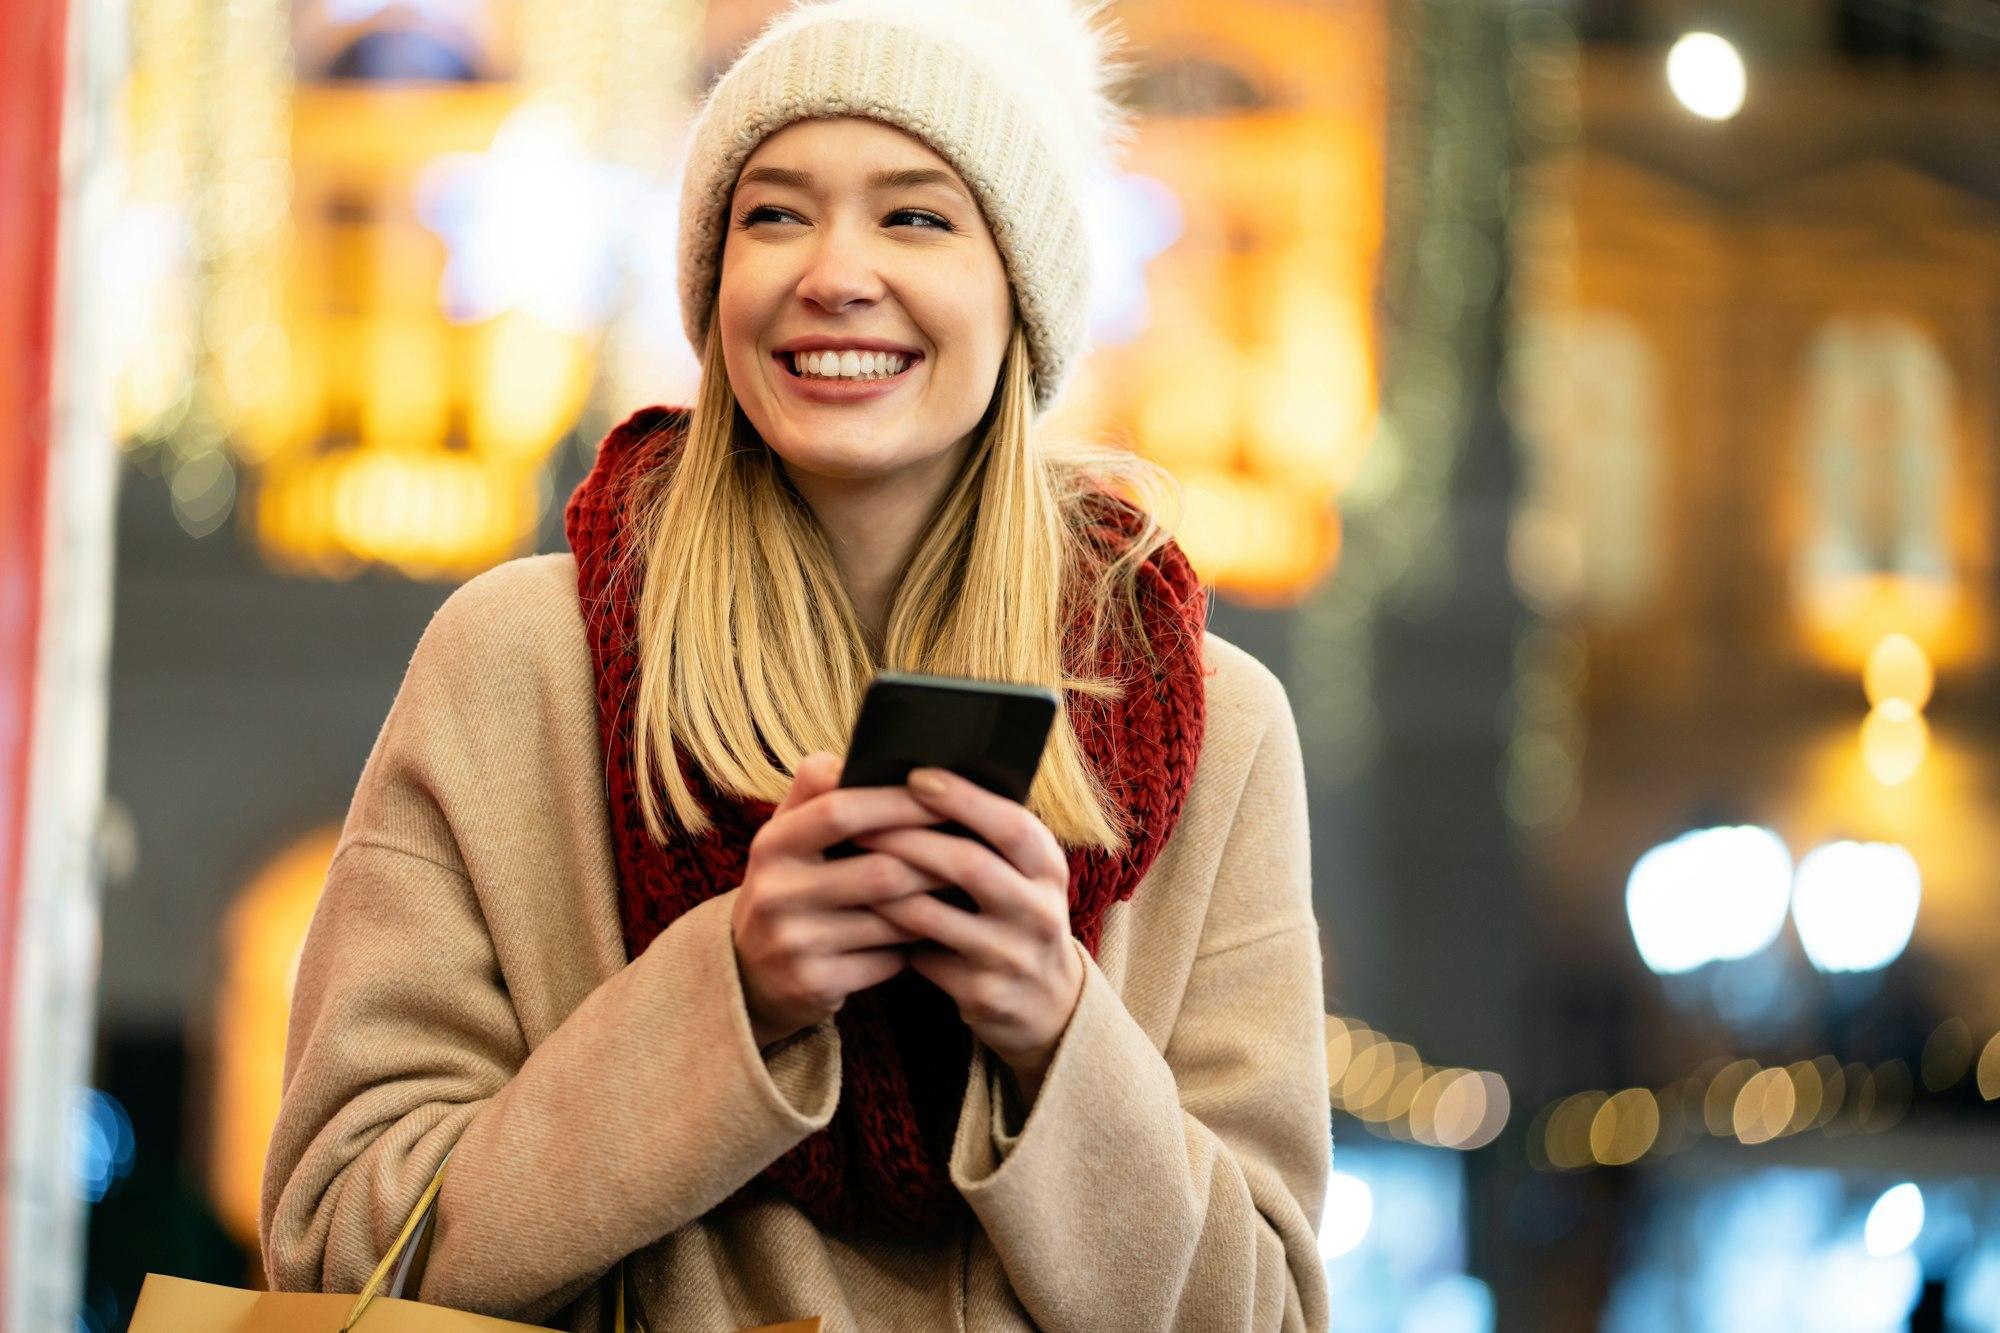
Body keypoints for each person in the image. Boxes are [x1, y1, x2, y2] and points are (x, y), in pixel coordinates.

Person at [259, 0, 1332, 1328]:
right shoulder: (518, 663)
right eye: (773, 214)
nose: (833, 272)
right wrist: (732, 989)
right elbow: (336, 1250)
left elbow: (1268, 1313)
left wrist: (1056, 1021)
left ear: (1024, 291)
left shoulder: (1218, 728)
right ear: (713, 285)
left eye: (917, 216)